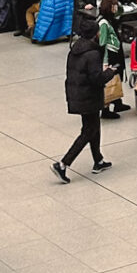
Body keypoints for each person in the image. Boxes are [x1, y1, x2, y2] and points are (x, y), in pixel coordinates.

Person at [50, 23, 115, 180]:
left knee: (93, 127)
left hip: (77, 93)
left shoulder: (75, 50)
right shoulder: (92, 54)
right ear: (94, 34)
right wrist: (109, 73)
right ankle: (63, 163)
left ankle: (98, 160)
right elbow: (96, 79)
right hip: (89, 96)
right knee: (88, 131)